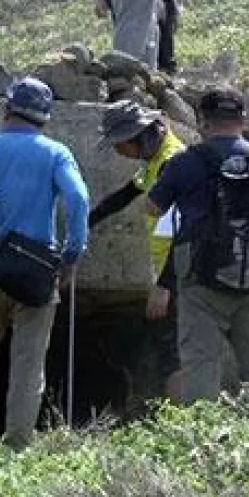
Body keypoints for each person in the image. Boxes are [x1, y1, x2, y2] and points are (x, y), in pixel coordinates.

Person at [0, 78, 91, 449]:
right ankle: (17, 446)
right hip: (39, 272)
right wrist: (72, 255)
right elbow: (78, 199)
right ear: (44, 117)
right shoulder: (57, 153)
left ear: (6, 109)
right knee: (29, 365)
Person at [146, 88, 249, 409]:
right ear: (243, 120)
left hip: (201, 281)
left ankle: (203, 437)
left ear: (202, 121)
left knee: (200, 363)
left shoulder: (185, 163)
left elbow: (153, 207)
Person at [88, 102, 189, 402]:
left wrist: (164, 286)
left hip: (179, 275)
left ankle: (187, 420)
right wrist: (84, 224)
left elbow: (184, 234)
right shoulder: (155, 161)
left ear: (137, 137)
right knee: (167, 344)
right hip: (171, 273)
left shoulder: (172, 163)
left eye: (120, 145)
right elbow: (122, 197)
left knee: (175, 350)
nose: (118, 153)